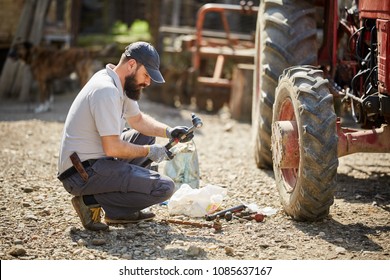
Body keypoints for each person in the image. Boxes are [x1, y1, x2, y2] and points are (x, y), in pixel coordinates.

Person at [57, 41, 192, 231]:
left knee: (144, 135)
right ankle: (89, 200)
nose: (147, 82)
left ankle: (118, 213)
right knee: (164, 187)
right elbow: (113, 147)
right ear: (131, 65)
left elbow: (137, 120)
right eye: (146, 75)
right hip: (81, 174)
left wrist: (169, 131)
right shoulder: (106, 90)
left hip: (95, 162)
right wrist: (151, 151)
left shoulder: (118, 82)